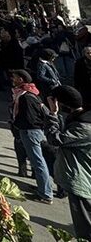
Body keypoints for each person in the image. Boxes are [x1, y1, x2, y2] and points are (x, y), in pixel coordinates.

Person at [45, 86, 91, 239]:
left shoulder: (83, 127)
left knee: (85, 226)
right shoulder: (80, 118)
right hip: (82, 179)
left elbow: (55, 139)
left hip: (82, 182)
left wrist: (52, 113)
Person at [10, 69, 53, 204]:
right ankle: (43, 187)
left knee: (37, 161)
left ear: (21, 80)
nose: (13, 79)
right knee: (38, 161)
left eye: (15, 77)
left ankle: (45, 194)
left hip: (30, 131)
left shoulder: (25, 96)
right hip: (35, 131)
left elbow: (28, 117)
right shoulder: (31, 93)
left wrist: (17, 124)